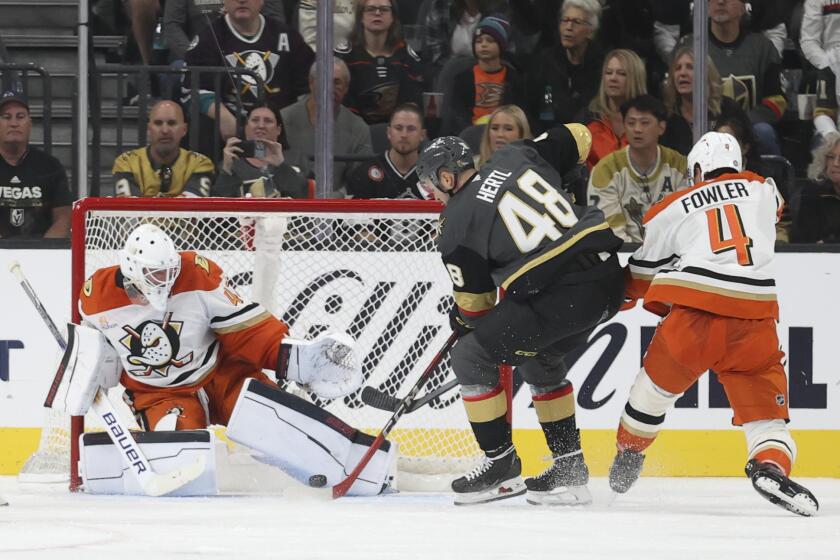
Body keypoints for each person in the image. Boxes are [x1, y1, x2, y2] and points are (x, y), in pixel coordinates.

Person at [59, 223, 393, 495]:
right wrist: (89, 370)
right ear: (134, 272)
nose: (168, 280)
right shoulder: (96, 299)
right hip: (158, 394)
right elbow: (96, 350)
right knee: (181, 459)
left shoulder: (195, 274)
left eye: (169, 271)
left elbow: (244, 326)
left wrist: (296, 359)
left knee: (270, 420)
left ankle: (353, 462)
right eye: (157, 275)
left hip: (221, 373)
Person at [610, 131, 819, 517]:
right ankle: (768, 467)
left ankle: (629, 452)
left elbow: (640, 276)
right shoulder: (763, 189)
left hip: (694, 316)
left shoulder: (670, 206)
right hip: (754, 322)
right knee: (767, 422)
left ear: (697, 170)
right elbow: (769, 213)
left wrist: (611, 296)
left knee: (651, 393)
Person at [415, 126, 625, 506]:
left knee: (469, 355)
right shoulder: (515, 154)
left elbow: (475, 307)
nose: (432, 192)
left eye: (432, 183)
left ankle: (501, 466)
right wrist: (573, 188)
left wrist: (461, 321)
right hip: (609, 278)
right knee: (542, 356)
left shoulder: (455, 225)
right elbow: (579, 136)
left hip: (565, 295)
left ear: (446, 177)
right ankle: (569, 470)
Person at [183, 0, 314, 139]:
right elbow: (190, 89)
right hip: (232, 130)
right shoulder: (208, 38)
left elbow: (308, 86)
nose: (242, 1)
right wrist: (223, 117)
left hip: (282, 127)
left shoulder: (287, 36)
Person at [674, 0, 787, 156]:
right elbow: (673, 98)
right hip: (701, 126)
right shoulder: (689, 46)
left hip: (749, 131)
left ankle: (770, 178)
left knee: (764, 131)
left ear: (743, 7)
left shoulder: (763, 47)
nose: (720, 2)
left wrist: (740, 124)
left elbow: (777, 101)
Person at [588, 95, 688, 243]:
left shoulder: (679, 165)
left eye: (645, 123)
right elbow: (609, 231)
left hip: (673, 256)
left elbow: (686, 222)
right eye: (631, 123)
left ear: (661, 127)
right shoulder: (606, 170)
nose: (637, 129)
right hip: (624, 257)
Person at [281, 58, 373, 197]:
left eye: (336, 82)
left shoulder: (358, 128)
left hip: (335, 207)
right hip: (288, 203)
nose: (329, 88)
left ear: (346, 88)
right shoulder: (283, 120)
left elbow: (360, 180)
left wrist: (337, 197)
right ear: (311, 83)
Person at [335, 0, 423, 125]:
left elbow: (411, 103)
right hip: (352, 131)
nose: (377, 13)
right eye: (371, 9)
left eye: (384, 9)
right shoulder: (344, 56)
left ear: (393, 17)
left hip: (397, 132)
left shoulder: (406, 56)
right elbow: (340, 105)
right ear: (361, 16)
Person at [0, 91, 72, 238]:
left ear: (30, 124)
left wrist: (42, 251)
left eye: (20, 117)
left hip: (41, 252)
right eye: (6, 117)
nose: (14, 123)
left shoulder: (50, 166)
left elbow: (64, 217)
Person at [526, 0, 605, 133]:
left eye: (576, 22)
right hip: (548, 134)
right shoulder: (546, 61)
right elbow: (539, 104)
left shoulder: (602, 65)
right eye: (565, 20)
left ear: (590, 31)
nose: (568, 27)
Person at [113, 100, 215, 197]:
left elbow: (192, 208)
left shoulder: (200, 164)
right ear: (149, 129)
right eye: (158, 123)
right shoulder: (127, 162)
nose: (165, 130)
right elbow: (130, 208)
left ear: (184, 130)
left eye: (172, 123)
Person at [660, 47, 747, 156]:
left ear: (706, 74)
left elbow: (750, 152)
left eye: (690, 67)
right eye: (677, 68)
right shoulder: (667, 116)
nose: (682, 73)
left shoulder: (729, 110)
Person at [212, 104, 310, 198]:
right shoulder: (231, 162)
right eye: (255, 120)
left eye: (268, 121)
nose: (261, 125)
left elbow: (303, 196)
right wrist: (227, 170)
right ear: (246, 127)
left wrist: (281, 166)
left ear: (278, 129)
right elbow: (217, 208)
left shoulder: (295, 158)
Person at [448, 15, 524, 135]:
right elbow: (457, 114)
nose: (483, 45)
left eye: (490, 40)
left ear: (501, 45)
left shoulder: (513, 78)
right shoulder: (463, 79)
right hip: (471, 135)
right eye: (479, 41)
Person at [583, 49, 648, 169]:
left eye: (621, 73)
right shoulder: (588, 119)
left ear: (635, 79)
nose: (613, 78)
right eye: (608, 72)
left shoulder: (650, 122)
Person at [164, 0, 287, 62]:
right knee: (177, 72)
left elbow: (275, 22)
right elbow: (172, 25)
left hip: (252, 55)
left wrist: (255, 56)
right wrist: (193, 56)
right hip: (197, 56)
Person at [347, 103, 426, 199]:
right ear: (389, 132)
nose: (404, 134)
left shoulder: (436, 178)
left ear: (422, 135)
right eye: (398, 128)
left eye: (411, 129)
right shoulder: (363, 174)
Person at [790, 132, 840, 242]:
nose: (835, 163)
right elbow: (805, 239)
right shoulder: (812, 192)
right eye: (831, 157)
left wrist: (829, 242)